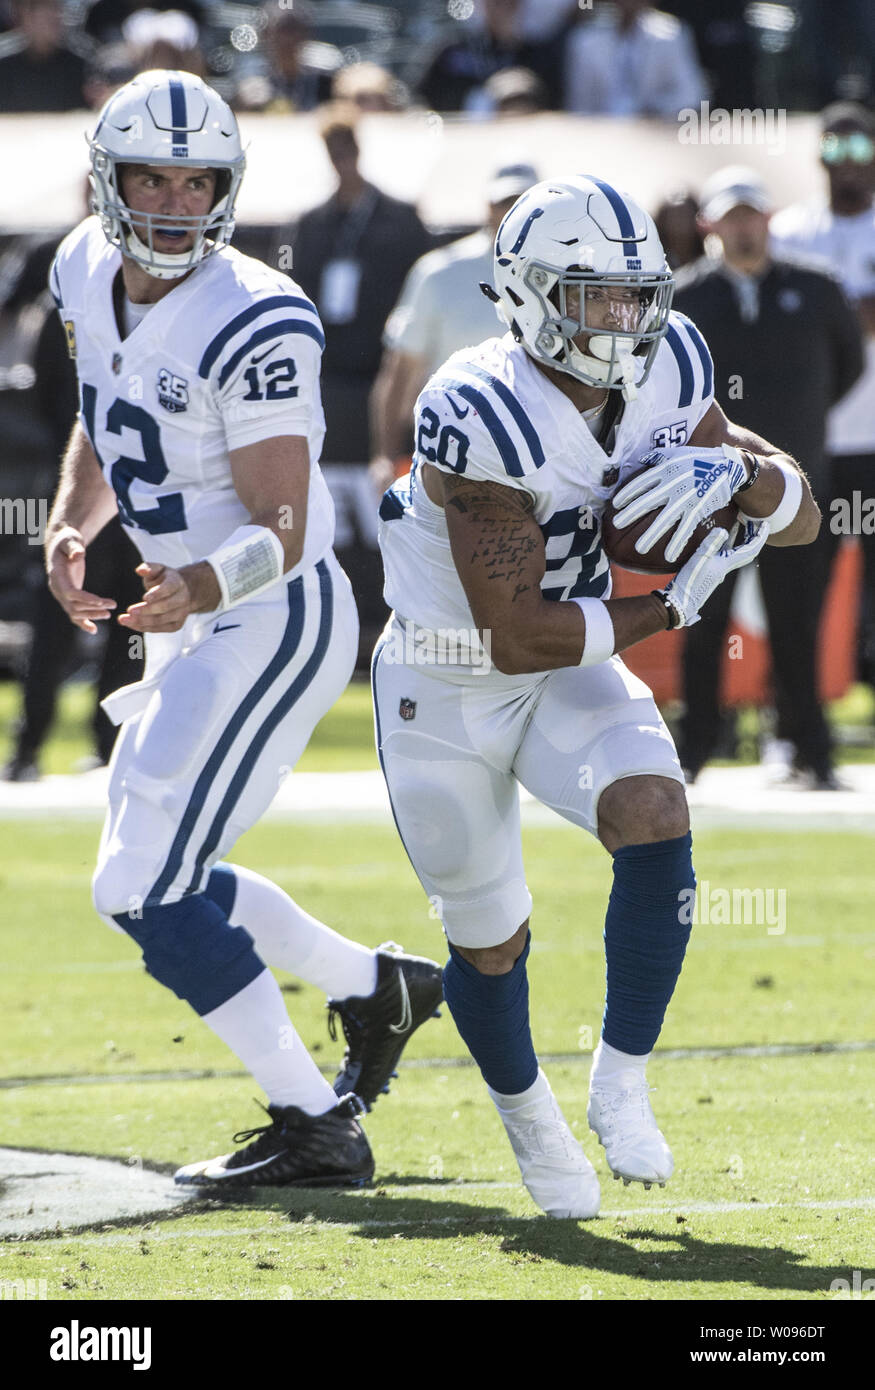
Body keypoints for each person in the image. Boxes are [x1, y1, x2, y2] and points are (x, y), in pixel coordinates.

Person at [374, 174, 820, 1218]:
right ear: (529, 295)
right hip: (446, 681)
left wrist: (744, 485)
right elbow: (514, 631)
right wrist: (669, 609)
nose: (622, 322)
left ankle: (618, 1079)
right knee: (490, 938)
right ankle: (529, 1120)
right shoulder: (476, 405)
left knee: (655, 812)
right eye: (593, 297)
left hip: (567, 662)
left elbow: (798, 514)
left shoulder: (671, 361)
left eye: (634, 295)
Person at [44, 70, 442, 1189]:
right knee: (166, 866)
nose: (172, 200)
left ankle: (316, 1122)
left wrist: (206, 586)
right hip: (200, 615)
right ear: (106, 180)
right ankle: (374, 986)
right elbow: (102, 414)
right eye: (151, 178)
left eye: (196, 179)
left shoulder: (255, 313)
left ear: (229, 187)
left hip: (271, 612)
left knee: (143, 885)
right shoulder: (80, 262)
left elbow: (287, 515)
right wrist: (73, 526)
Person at [675, 167, 864, 789]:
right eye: (731, 217)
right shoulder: (686, 298)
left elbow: (845, 368)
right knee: (697, 621)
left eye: (752, 215)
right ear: (712, 224)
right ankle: (692, 752)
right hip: (708, 492)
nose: (743, 228)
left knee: (797, 625)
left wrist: (795, 428)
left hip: (795, 486)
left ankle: (811, 749)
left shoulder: (816, 289)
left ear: (768, 219)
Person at [286, 103, 431, 670]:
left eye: (347, 149)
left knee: (384, 524)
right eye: (333, 151)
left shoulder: (397, 220)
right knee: (333, 521)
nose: (340, 161)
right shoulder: (311, 224)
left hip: (383, 385)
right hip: (328, 391)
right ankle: (338, 639)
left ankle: (391, 634)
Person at [770, 103, 875, 716]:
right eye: (836, 150)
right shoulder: (790, 231)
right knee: (800, 598)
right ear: (819, 157)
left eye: (859, 149)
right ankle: (796, 729)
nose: (848, 164)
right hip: (811, 446)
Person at [371, 162, 537, 482]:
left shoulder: (570, 277)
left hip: (541, 451)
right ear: (488, 207)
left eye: (524, 203)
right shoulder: (439, 272)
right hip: (448, 450)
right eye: (505, 202)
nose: (513, 212)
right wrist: (385, 457)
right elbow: (400, 369)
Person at [564, 0, 705, 119]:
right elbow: (579, 105)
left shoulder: (670, 34)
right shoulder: (585, 40)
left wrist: (653, 112)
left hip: (653, 133)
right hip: (601, 135)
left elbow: (691, 94)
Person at [0, 0, 87, 112]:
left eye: (57, 10)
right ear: (26, 17)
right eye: (47, 15)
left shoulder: (78, 66)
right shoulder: (5, 67)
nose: (56, 16)